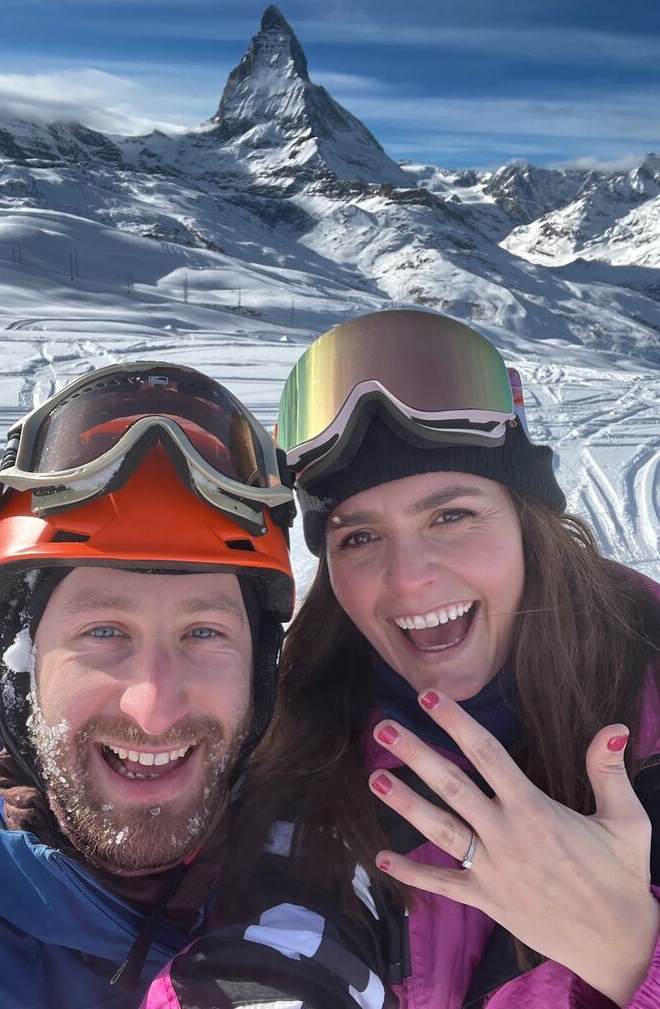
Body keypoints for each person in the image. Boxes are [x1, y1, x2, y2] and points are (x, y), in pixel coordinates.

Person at [143, 308, 660, 1009]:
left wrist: (632, 953)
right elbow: (279, 951)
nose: (409, 577)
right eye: (359, 538)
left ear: (528, 523)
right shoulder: (305, 744)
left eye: (451, 515)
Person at [0, 361, 295, 1008]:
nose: (155, 707)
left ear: (262, 663)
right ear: (21, 666)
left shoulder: (321, 840)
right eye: (104, 631)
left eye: (205, 633)